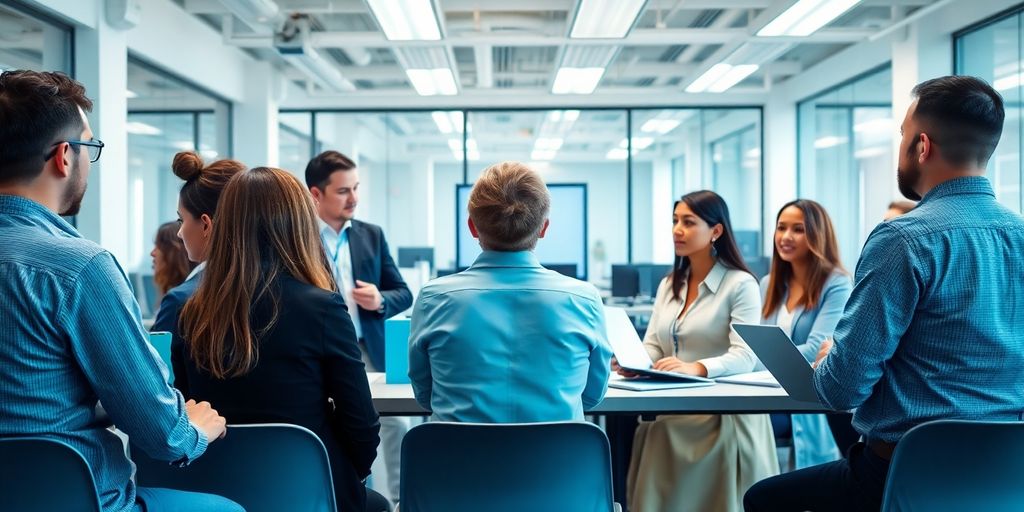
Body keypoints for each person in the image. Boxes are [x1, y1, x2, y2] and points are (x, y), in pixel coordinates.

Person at [744, 76, 1024, 511]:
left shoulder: (903, 239)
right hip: (1004, 477)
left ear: (922, 146)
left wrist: (832, 358)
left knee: (764, 499)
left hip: (904, 474)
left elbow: (841, 390)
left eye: (903, 135)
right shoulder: (1019, 236)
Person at [0, 70, 240, 511]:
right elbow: (163, 436)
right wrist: (193, 429)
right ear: (64, 157)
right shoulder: (79, 269)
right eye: (88, 147)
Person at [175, 166, 383, 512]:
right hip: (307, 492)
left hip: (217, 495)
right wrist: (344, 476)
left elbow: (185, 410)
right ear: (300, 226)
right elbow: (361, 425)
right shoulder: (323, 309)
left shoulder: (190, 312)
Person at [408, 161, 611, 422]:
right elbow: (592, 395)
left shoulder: (432, 299)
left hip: (458, 449)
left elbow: (425, 395)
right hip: (556, 450)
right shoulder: (584, 300)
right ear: (544, 228)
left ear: (472, 227)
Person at [623, 190, 777, 512]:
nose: (677, 230)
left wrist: (697, 367)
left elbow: (746, 356)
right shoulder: (670, 284)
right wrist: (633, 361)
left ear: (716, 231)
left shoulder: (741, 284)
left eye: (689, 222)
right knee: (651, 427)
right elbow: (654, 344)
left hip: (721, 413)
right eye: (675, 221)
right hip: (671, 406)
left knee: (661, 430)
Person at [306, 150, 412, 504]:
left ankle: (397, 502)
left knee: (395, 423)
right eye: (342, 191)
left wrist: (380, 299)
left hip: (365, 348)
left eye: (356, 188)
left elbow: (403, 292)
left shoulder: (371, 235)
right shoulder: (300, 237)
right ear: (316, 194)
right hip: (317, 351)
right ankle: (348, 497)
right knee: (332, 423)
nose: (353, 198)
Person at [760, 199, 851, 472]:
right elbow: (758, 344)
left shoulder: (836, 283)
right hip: (766, 391)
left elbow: (817, 348)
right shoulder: (769, 284)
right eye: (781, 228)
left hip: (807, 397)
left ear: (817, 235)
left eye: (798, 229)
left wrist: (764, 359)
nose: (786, 237)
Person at [151, 151, 246, 398]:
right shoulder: (285, 294)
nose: (179, 232)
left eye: (181, 220)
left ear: (205, 224)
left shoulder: (181, 302)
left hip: (199, 423)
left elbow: (156, 392)